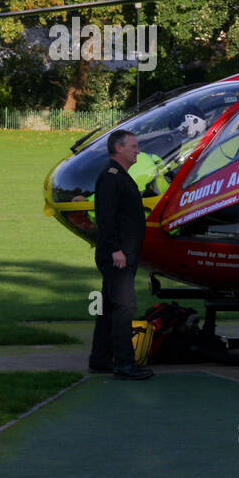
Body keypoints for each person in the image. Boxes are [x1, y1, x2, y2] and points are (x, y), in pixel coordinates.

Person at [90, 129, 154, 380]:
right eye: (134, 147)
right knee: (124, 307)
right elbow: (106, 218)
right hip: (118, 255)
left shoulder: (119, 177)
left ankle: (101, 358)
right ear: (119, 148)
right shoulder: (111, 177)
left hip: (122, 253)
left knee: (108, 307)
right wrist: (116, 249)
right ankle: (124, 363)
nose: (137, 151)